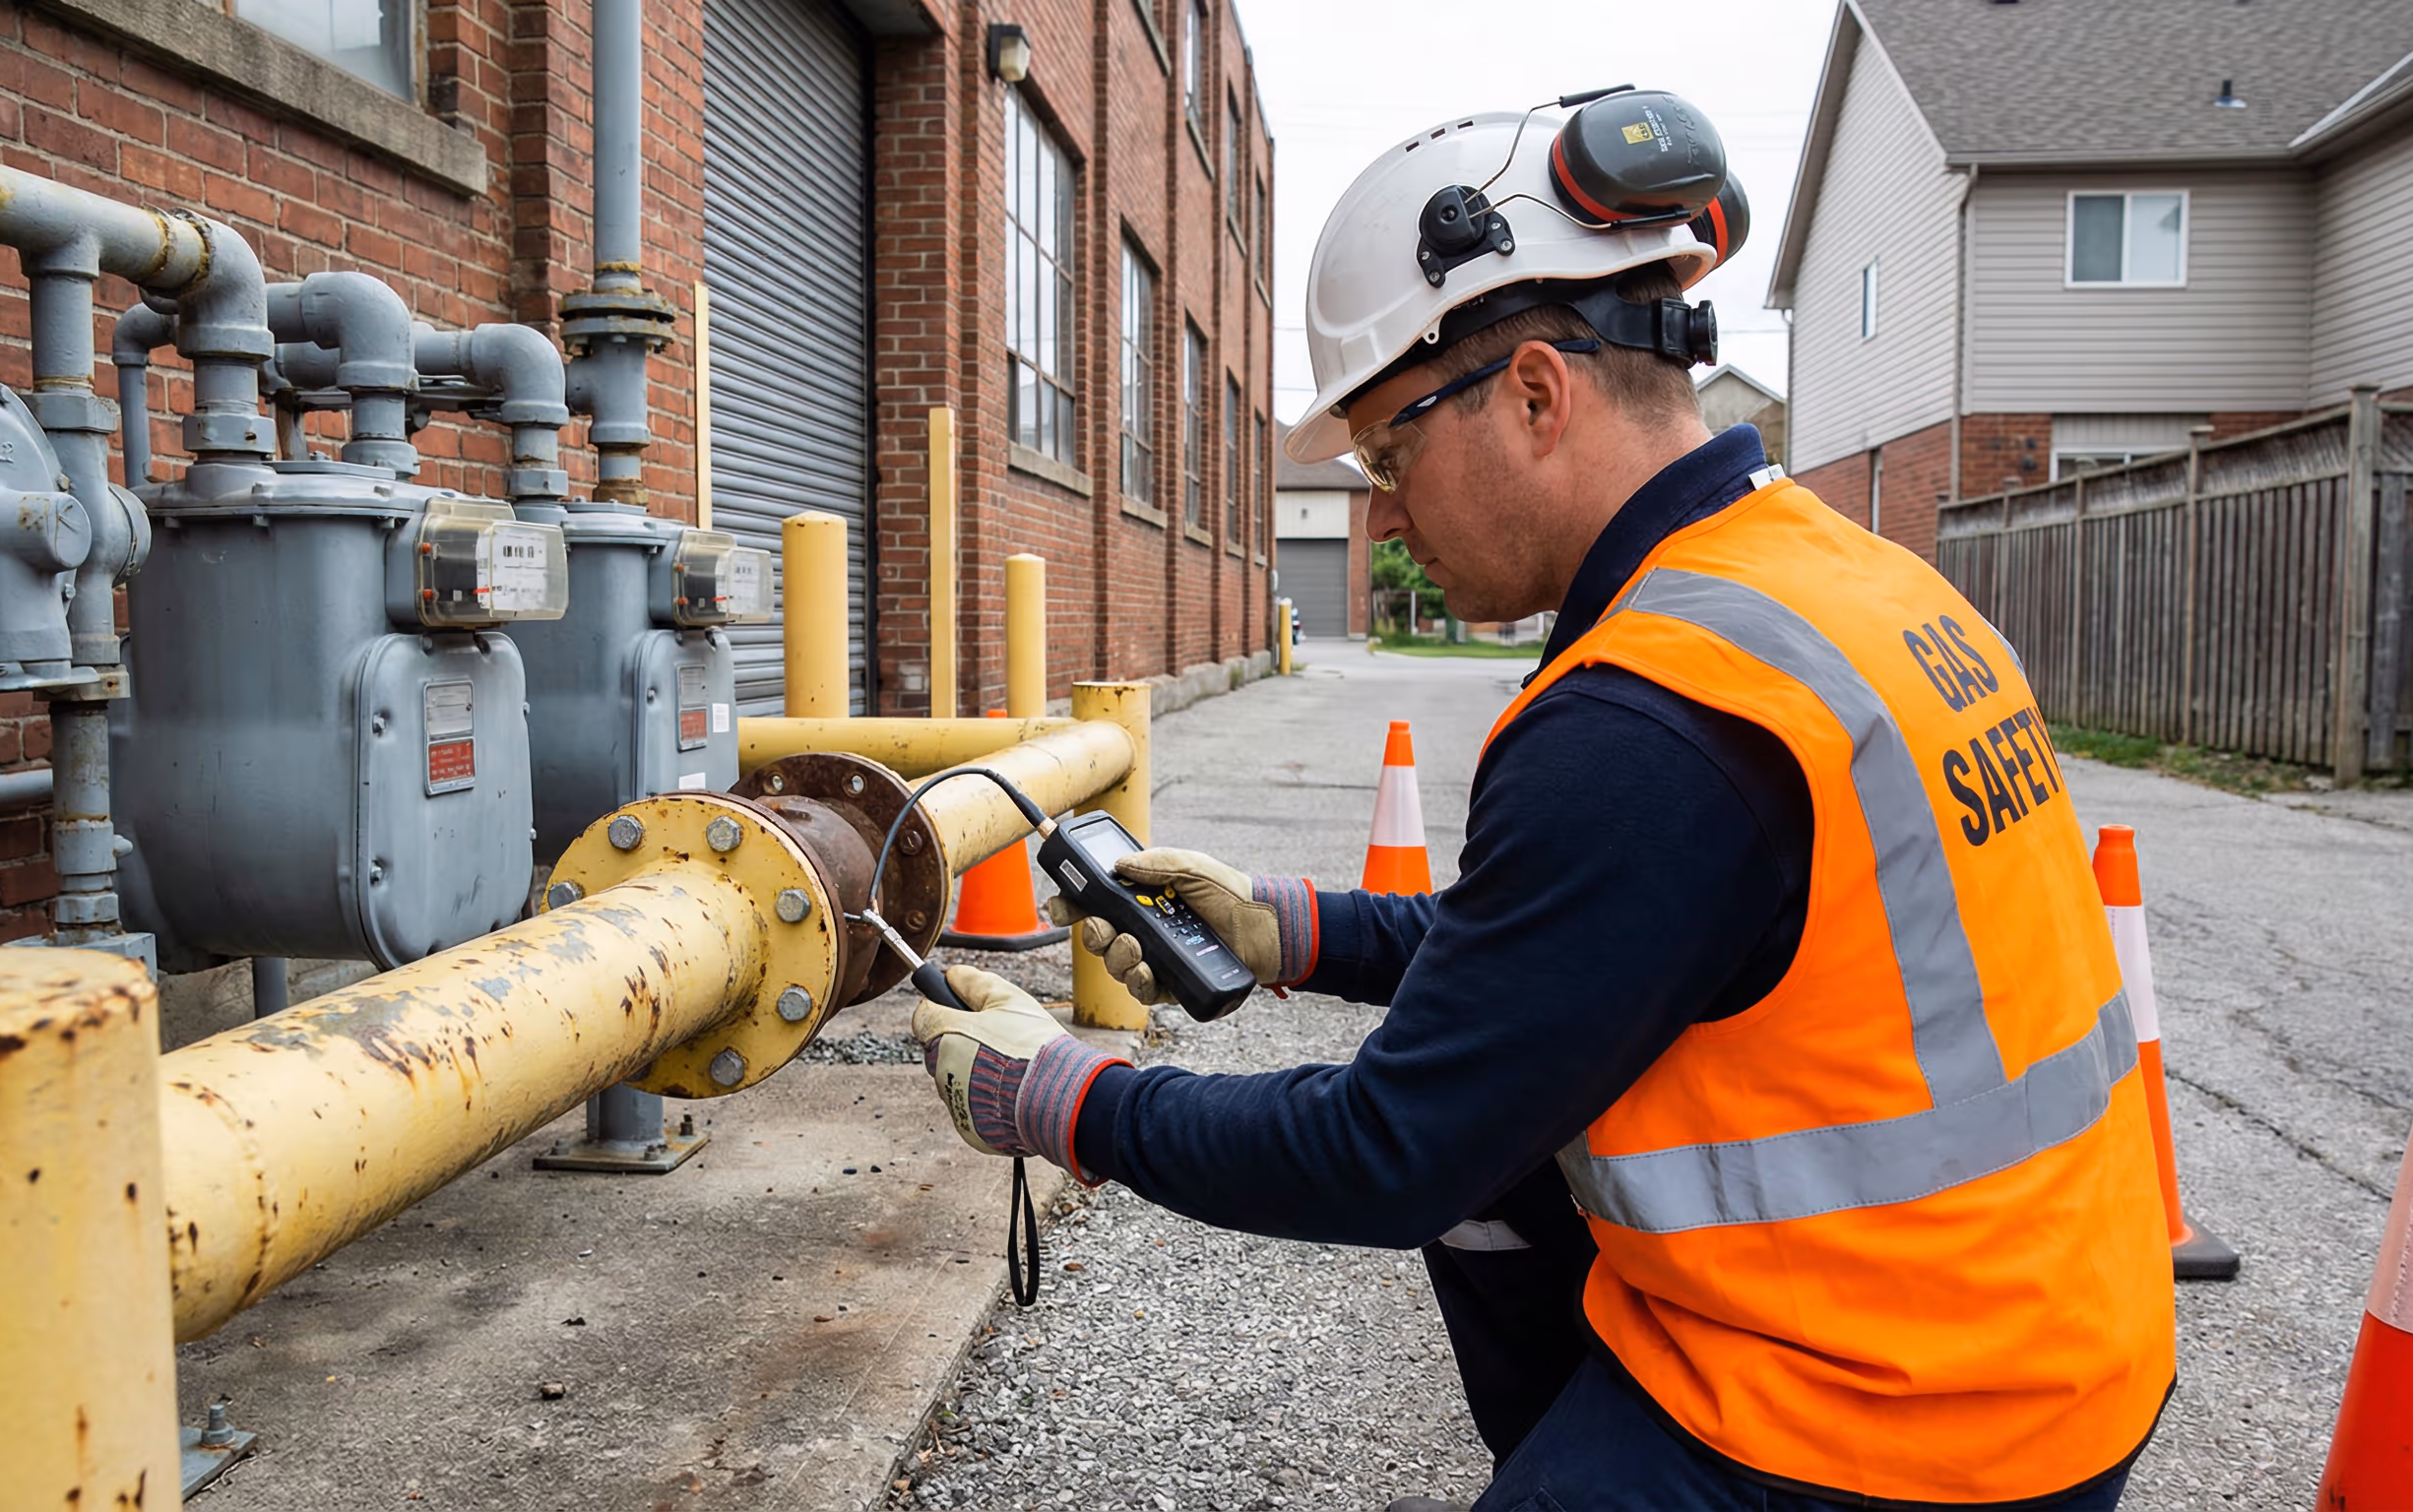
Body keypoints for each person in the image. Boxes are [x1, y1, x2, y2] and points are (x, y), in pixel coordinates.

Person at [914, 91, 2174, 1512]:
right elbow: (1603, 950)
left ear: (1531, 394)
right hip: (2041, 1335)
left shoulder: (1650, 721)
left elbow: (1387, 1150)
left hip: (1881, 1420)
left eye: (1390, 458)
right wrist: (1299, 929)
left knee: (1467, 1164)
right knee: (1499, 1182)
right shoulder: (1845, 585)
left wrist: (1069, 1100)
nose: (1381, 519)